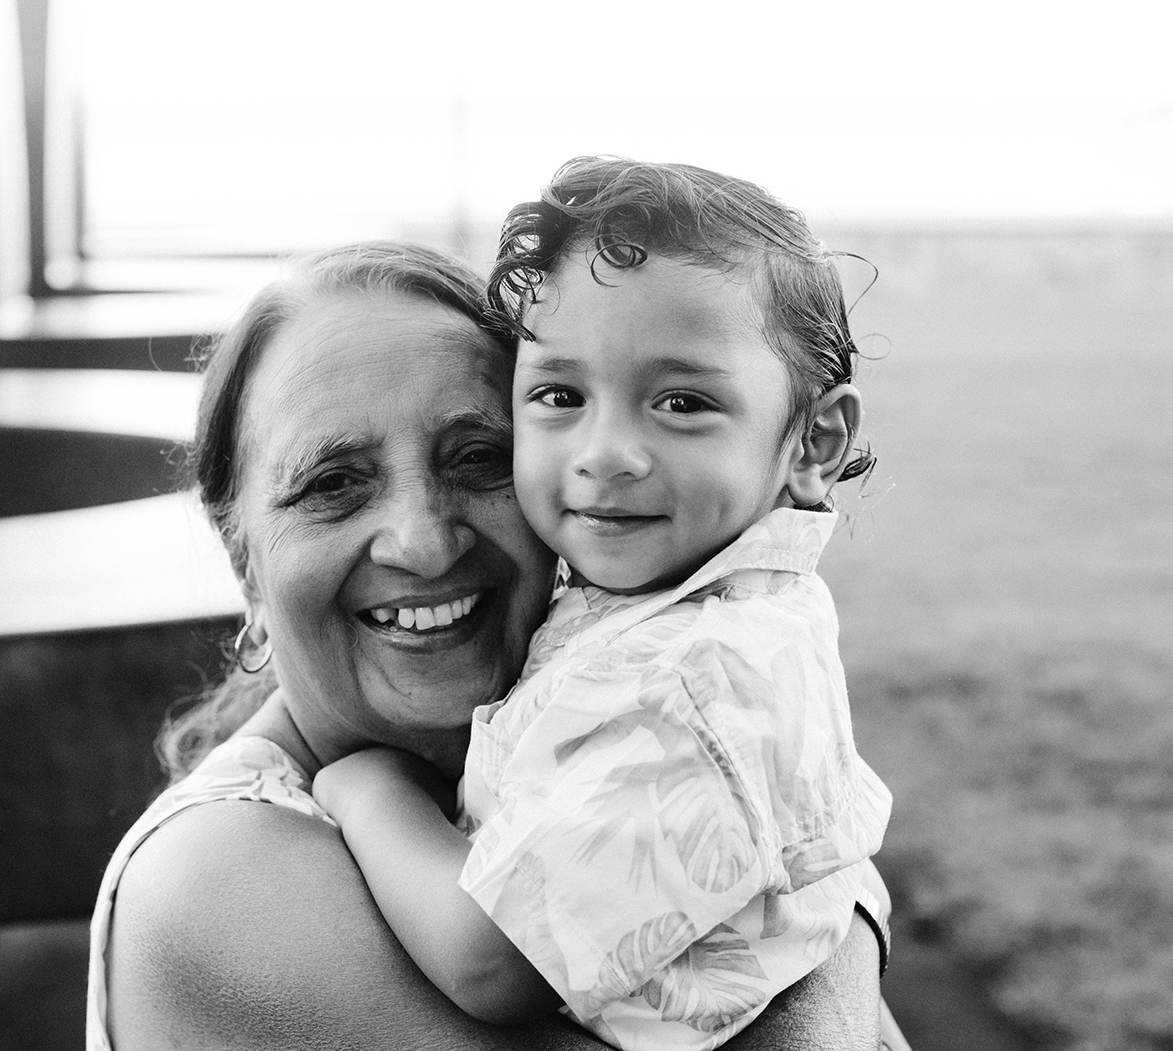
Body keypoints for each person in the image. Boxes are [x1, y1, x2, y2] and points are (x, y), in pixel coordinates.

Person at [87, 240, 892, 1051]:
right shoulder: (217, 880)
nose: (426, 544)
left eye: (478, 457)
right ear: (248, 573)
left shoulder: (613, 741)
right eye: (334, 484)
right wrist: (845, 921)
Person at [311, 160, 894, 1051]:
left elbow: (490, 961)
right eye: (559, 396)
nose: (606, 452)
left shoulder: (696, 683)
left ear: (813, 440)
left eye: (682, 402)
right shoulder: (663, 606)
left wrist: (370, 791)